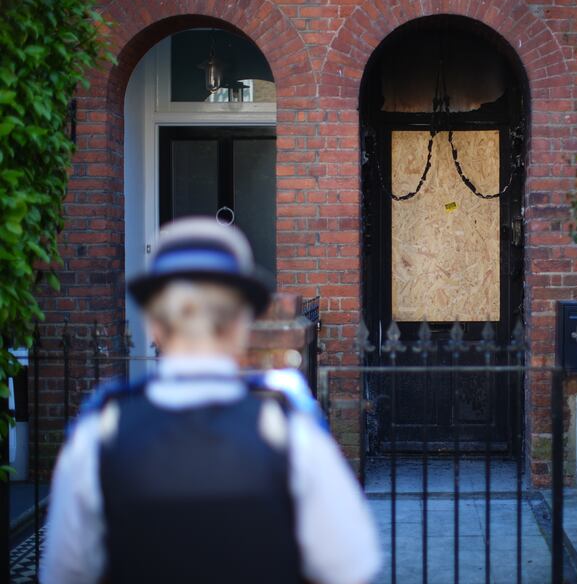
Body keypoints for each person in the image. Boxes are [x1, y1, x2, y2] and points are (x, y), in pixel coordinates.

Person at [41, 217, 381, 584]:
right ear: (240, 326)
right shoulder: (291, 436)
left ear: (154, 325)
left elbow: (64, 573)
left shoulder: (97, 438)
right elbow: (352, 566)